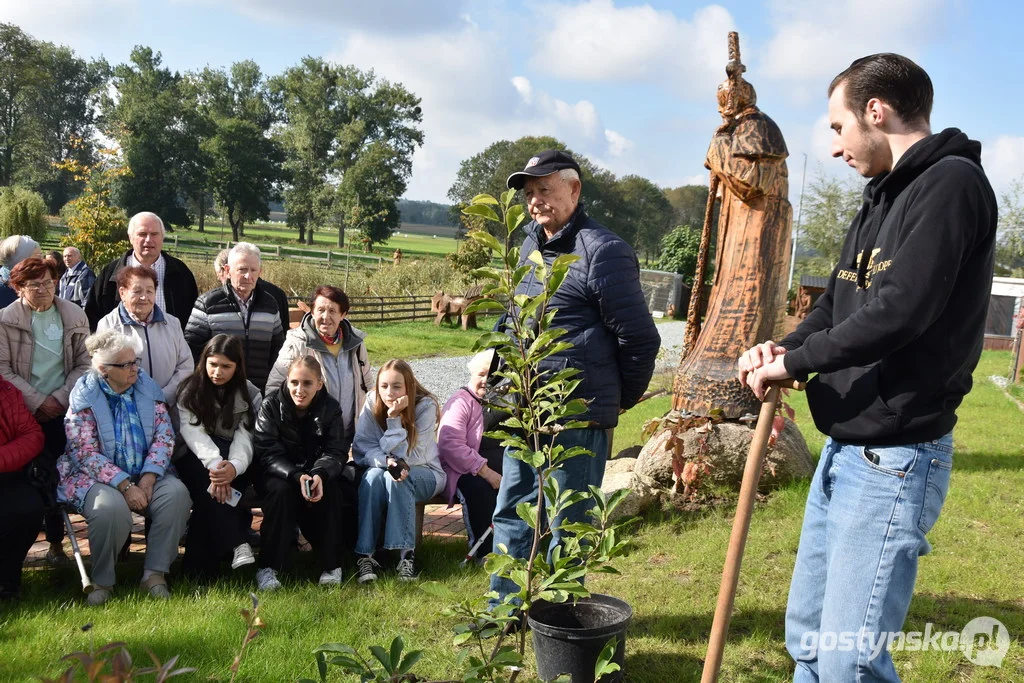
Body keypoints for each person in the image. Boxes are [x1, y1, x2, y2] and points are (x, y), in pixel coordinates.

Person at [737, 54, 998, 682]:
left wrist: (797, 362)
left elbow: (900, 311)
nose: (834, 147)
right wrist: (786, 352)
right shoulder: (880, 194)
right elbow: (838, 299)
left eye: (837, 126)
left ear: (875, 112)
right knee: (807, 641)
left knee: (848, 660)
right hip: (845, 451)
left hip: (895, 458)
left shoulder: (953, 185)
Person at [489, 150, 660, 604]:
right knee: (512, 512)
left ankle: (560, 616)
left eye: (544, 189)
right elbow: (513, 318)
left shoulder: (603, 251)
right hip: (525, 411)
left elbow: (640, 339)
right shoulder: (528, 245)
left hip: (575, 416)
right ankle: (503, 612)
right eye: (529, 193)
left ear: (574, 189)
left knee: (570, 521)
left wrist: (619, 400)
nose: (535, 201)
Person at [57, 329, 191, 605]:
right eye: (127, 364)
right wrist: (124, 484)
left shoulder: (146, 387)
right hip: (94, 476)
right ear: (104, 369)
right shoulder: (84, 397)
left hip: (147, 472)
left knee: (176, 495)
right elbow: (84, 452)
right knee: (109, 509)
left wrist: (149, 477)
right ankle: (102, 581)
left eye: (136, 361)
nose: (135, 369)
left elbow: (165, 436)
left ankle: (154, 574)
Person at [0, 257, 91, 565]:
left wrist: (59, 399)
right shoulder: (6, 320)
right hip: (25, 413)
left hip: (64, 410)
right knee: (34, 479)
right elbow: (3, 370)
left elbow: (85, 363)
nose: (44, 289)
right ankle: (26, 548)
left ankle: (57, 545)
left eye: (49, 282)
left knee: (61, 474)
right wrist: (38, 402)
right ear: (18, 287)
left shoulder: (74, 315)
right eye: (34, 284)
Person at [253, 355, 347, 591]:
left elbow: (336, 451)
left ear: (319, 384)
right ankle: (269, 567)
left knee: (333, 492)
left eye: (307, 383)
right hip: (279, 474)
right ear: (286, 381)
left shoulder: (331, 408)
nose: (299, 389)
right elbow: (266, 451)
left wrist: (319, 474)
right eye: (294, 382)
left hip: (317, 473)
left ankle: (331, 565)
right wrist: (294, 475)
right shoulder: (271, 405)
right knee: (281, 493)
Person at [175, 335, 262, 578]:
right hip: (196, 458)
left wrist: (232, 468)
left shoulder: (250, 394)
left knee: (209, 497)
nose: (217, 372)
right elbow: (194, 435)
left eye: (226, 366)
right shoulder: (189, 390)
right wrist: (216, 467)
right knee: (206, 483)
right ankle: (237, 540)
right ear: (204, 362)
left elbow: (246, 437)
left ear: (237, 366)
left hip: (236, 463)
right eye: (213, 364)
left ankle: (198, 573)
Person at [352, 359, 444, 583]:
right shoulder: (373, 400)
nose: (389, 393)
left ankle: (405, 557)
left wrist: (393, 420)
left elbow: (414, 455)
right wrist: (386, 461)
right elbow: (362, 447)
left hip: (426, 472)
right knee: (373, 476)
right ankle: (366, 555)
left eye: (396, 386)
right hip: (385, 469)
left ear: (408, 386)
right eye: (384, 386)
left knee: (399, 478)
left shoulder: (425, 405)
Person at [266, 285, 373, 454]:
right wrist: (291, 427)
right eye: (320, 310)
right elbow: (274, 389)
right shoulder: (297, 343)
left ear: (343, 314)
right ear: (312, 312)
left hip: (349, 439)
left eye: (332, 311)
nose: (325, 317)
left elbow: (368, 388)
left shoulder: (356, 344)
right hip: (310, 440)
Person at [185, 242, 285, 392]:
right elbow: (191, 349)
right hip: (218, 392)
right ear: (228, 270)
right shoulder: (207, 304)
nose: (248, 276)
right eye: (242, 269)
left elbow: (278, 349)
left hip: (259, 392)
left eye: (253, 270)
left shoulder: (270, 305)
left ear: (260, 272)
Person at [97, 266, 193, 413]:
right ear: (122, 293)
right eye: (137, 291)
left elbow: (185, 366)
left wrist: (163, 397)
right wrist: (137, 401)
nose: (144, 297)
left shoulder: (172, 323)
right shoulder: (108, 325)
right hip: (127, 410)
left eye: (149, 291)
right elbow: (104, 370)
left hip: (169, 408)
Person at [437, 349, 503, 560]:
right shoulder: (461, 401)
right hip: (462, 471)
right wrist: (487, 472)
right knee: (479, 490)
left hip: (491, 469)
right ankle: (484, 553)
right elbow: (450, 444)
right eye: (481, 375)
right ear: (471, 374)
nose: (485, 380)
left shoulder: (500, 402)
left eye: (491, 376)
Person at [86, 211, 199, 331]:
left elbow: (193, 321)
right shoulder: (110, 274)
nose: (148, 239)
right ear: (131, 238)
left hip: (168, 347)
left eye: (154, 234)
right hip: (122, 347)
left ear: (162, 237)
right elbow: (93, 317)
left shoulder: (181, 273)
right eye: (142, 234)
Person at [0, 376, 46, 601]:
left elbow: (32, 435)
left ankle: (8, 582)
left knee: (30, 508)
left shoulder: (7, 390)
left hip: (8, 473)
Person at [214, 248, 290, 334]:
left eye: (219, 276)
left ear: (226, 270)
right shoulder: (278, 293)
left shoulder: (273, 298)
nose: (219, 280)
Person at [0, 235, 41, 308]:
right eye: (38, 256)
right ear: (21, 259)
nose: (42, 260)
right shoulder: (3, 290)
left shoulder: (36, 283)